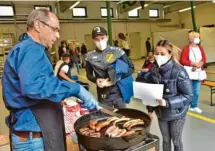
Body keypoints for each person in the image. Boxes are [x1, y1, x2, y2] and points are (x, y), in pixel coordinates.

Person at [2, 9, 98, 151]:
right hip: (34, 138)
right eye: (55, 30)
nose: (58, 35)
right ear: (38, 25)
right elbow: (34, 87)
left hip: (33, 131)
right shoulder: (31, 49)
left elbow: (40, 83)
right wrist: (76, 89)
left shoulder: (27, 49)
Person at [146, 40, 193, 151]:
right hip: (161, 113)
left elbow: (188, 96)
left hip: (177, 113)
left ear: (170, 54)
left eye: (162, 54)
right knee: (165, 140)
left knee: (176, 141)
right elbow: (151, 91)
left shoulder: (179, 71)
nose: (158, 56)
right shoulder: (154, 70)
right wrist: (150, 109)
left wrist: (168, 102)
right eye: (156, 53)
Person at [86, 26, 134, 108]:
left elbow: (131, 68)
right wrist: (96, 80)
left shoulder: (118, 51)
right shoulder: (89, 56)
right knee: (105, 117)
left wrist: (115, 79)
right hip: (103, 94)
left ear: (107, 37)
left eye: (102, 38)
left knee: (122, 117)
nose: (100, 41)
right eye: (97, 39)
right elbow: (89, 74)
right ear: (93, 40)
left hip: (119, 92)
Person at [180, 31, 206, 113]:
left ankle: (194, 106)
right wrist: (193, 64)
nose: (198, 39)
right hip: (189, 72)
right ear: (191, 39)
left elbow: (204, 58)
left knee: (196, 91)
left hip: (198, 72)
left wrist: (199, 65)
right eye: (196, 37)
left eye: (198, 37)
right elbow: (182, 60)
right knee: (187, 91)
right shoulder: (186, 48)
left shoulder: (200, 48)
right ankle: (186, 105)